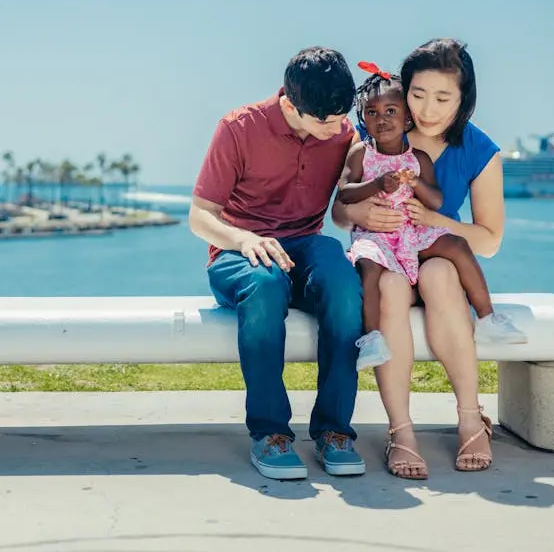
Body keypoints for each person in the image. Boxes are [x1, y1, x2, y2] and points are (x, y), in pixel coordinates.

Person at [331, 38, 511, 479]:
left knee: (440, 274)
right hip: (386, 261)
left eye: (444, 97)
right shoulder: (379, 128)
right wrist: (360, 211)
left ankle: (471, 417)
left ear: (463, 99)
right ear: (402, 92)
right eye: (418, 94)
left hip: (432, 253)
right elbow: (339, 210)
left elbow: (488, 241)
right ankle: (402, 431)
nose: (429, 109)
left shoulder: (479, 148)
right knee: (390, 284)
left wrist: (433, 217)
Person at [189, 46, 366, 481]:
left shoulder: (343, 133)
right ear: (290, 102)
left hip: (307, 243)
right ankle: (270, 434)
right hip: (237, 251)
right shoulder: (238, 128)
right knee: (267, 286)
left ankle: (334, 431)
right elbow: (200, 216)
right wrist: (246, 239)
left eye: (340, 117)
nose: (335, 128)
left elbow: (345, 209)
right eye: (324, 120)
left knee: (344, 283)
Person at [338, 61, 527, 372]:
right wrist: (369, 195)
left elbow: (439, 202)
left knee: (454, 246)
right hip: (379, 240)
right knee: (369, 270)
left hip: (414, 235)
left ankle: (487, 317)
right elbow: (343, 197)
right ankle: (371, 339)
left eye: (390, 112)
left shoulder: (422, 157)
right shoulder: (362, 148)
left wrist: (418, 190)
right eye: (372, 113)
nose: (382, 120)